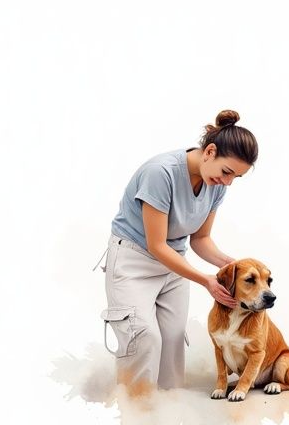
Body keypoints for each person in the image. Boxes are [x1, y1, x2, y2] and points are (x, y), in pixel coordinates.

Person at [101, 110, 258, 391]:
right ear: (210, 151)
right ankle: (135, 414)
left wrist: (233, 265)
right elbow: (156, 245)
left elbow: (200, 239)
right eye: (227, 172)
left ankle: (166, 418)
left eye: (236, 177)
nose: (228, 181)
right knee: (143, 336)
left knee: (173, 339)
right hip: (133, 260)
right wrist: (207, 281)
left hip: (173, 263)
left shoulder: (216, 185)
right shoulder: (160, 174)